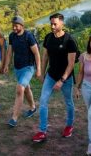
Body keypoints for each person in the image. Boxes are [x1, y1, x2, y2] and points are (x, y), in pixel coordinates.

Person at [32, 13, 78, 143]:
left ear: (62, 23)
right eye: (51, 23)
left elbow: (70, 65)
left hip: (66, 78)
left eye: (55, 24)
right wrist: (41, 72)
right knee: (43, 101)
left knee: (68, 101)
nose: (52, 26)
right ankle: (42, 131)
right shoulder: (48, 38)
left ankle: (69, 126)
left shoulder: (70, 41)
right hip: (51, 75)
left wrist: (62, 80)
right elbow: (45, 56)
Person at [3, 15, 41, 127]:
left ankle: (14, 118)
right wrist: (6, 65)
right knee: (26, 88)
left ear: (22, 25)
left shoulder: (28, 36)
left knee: (20, 88)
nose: (14, 28)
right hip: (17, 68)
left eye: (16, 26)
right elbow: (10, 52)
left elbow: (36, 53)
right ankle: (33, 107)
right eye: (13, 26)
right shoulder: (12, 36)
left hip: (28, 67)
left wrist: (38, 69)